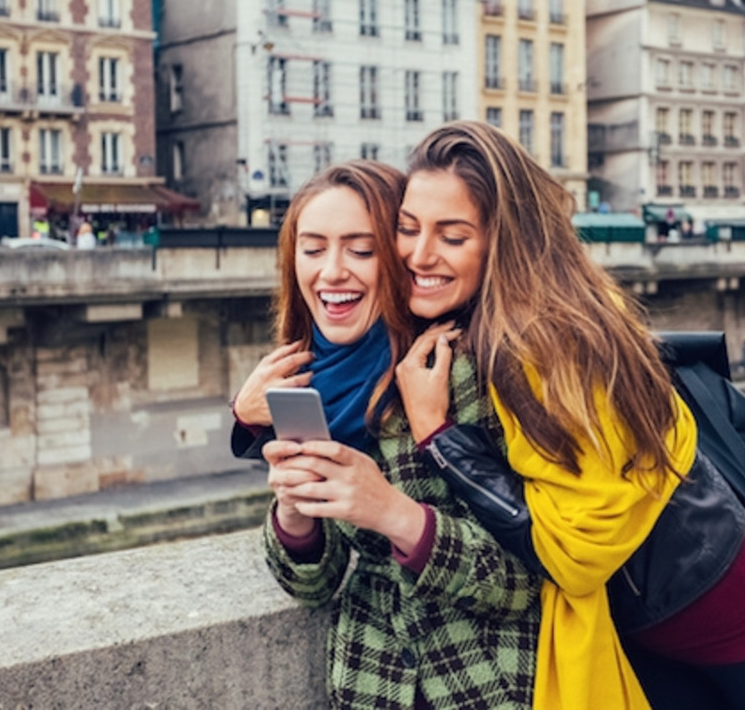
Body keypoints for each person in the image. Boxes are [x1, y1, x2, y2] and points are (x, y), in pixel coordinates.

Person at [395, 122, 745, 710]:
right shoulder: (499, 320)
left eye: (451, 236)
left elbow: (573, 551)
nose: (418, 253)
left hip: (743, 607)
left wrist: (440, 437)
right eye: (407, 228)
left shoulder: (546, 342)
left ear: (502, 241)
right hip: (656, 624)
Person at [229, 161, 541, 710]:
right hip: (368, 686)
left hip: (484, 686)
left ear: (396, 261)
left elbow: (531, 578)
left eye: (360, 249)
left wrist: (396, 515)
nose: (331, 272)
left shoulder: (462, 369)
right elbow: (312, 586)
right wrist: (295, 516)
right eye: (313, 248)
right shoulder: (306, 380)